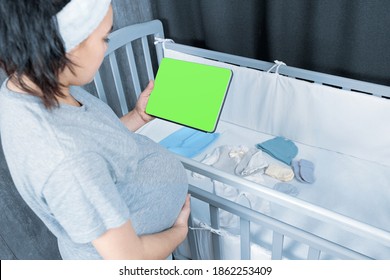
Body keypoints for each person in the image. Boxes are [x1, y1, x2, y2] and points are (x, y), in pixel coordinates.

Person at [0, 0, 190, 260]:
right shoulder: (68, 162)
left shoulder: (29, 83)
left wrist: (137, 117)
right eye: (104, 38)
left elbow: (96, 147)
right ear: (69, 47)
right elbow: (127, 260)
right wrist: (179, 231)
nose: (107, 46)